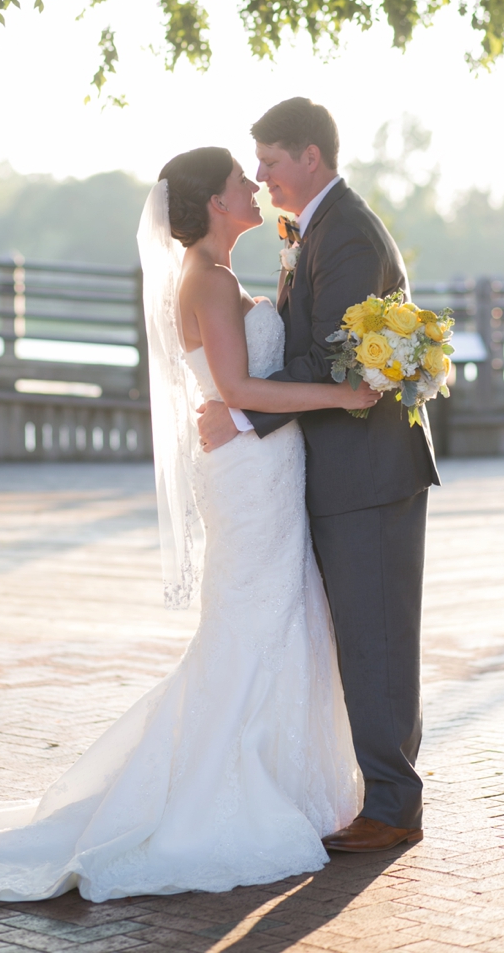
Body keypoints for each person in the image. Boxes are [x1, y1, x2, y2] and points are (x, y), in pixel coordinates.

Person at [0, 145, 378, 902]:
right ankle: (221, 793)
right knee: (252, 623)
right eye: (239, 178)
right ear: (213, 203)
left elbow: (238, 388)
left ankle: (286, 780)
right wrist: (346, 398)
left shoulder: (219, 276)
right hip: (248, 477)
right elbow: (235, 386)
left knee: (278, 616)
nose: (253, 186)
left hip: (261, 468)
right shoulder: (211, 281)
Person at [198, 99, 440, 852]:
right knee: (360, 638)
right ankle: (383, 794)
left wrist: (241, 415)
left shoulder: (351, 234)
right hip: (337, 470)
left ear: (311, 156)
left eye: (270, 161)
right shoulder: (311, 230)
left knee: (377, 640)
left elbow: (338, 357)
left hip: (369, 471)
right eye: (256, 167)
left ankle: (395, 808)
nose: (263, 178)